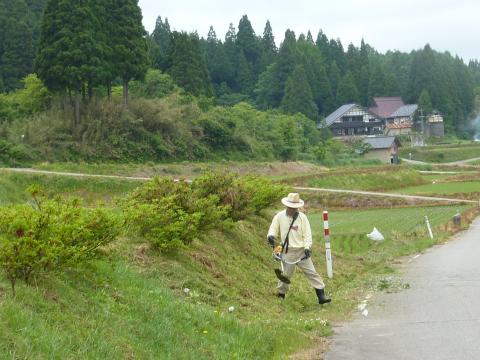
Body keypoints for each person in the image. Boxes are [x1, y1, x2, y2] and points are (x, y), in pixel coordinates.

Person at [267, 193, 331, 304]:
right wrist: (271, 236)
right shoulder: (279, 216)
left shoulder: (303, 218)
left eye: (295, 207)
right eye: (291, 207)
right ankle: (281, 297)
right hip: (288, 251)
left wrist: (307, 247)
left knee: (312, 273)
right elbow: (273, 229)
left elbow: (307, 234)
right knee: (285, 275)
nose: (293, 209)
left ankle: (321, 297)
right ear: (287, 206)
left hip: (302, 251)